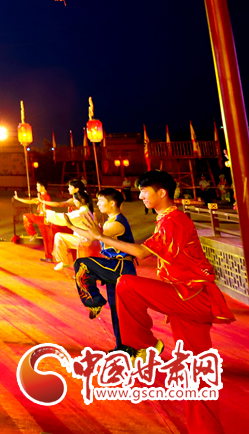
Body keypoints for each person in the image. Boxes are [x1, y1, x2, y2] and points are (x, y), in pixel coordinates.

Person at [94, 170, 234, 434]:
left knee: (127, 284)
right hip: (185, 297)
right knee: (195, 368)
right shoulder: (166, 219)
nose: (140, 196)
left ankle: (144, 346)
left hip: (190, 295)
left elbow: (140, 252)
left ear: (162, 192)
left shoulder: (174, 221)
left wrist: (101, 238)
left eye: (144, 191)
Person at [68, 188, 136, 350]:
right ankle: (122, 347)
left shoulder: (117, 223)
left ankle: (94, 301)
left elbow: (93, 236)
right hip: (114, 267)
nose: (97, 204)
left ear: (112, 203)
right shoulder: (110, 221)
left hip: (121, 267)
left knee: (82, 264)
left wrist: (69, 225)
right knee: (116, 310)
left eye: (101, 200)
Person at [50, 189, 101, 272]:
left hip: (85, 239)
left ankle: (63, 261)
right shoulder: (85, 210)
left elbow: (67, 217)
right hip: (85, 238)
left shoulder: (82, 211)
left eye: (75, 199)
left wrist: (48, 214)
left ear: (82, 200)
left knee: (59, 236)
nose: (74, 201)